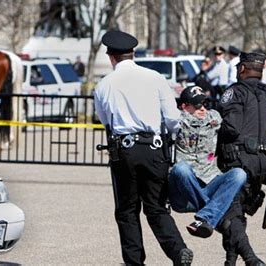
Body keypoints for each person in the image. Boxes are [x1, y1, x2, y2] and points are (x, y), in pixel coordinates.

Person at [93, 30, 193, 266]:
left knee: (127, 211)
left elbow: (105, 121)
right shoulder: (155, 77)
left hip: (124, 150)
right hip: (154, 149)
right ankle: (178, 251)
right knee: (156, 207)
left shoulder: (104, 85)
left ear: (111, 57)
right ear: (133, 54)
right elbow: (172, 119)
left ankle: (134, 262)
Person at [217, 52, 266, 266]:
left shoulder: (236, 92)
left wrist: (215, 126)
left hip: (238, 161)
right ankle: (230, 261)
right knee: (237, 213)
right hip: (262, 163)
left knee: (229, 214)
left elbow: (231, 127)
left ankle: (251, 259)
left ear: (242, 69)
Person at [168, 86, 247, 239]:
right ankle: (215, 217)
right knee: (181, 169)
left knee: (239, 174)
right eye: (197, 105)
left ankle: (206, 218)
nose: (202, 109)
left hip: (209, 182)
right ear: (184, 107)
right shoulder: (177, 122)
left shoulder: (213, 118)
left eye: (204, 104)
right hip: (183, 192)